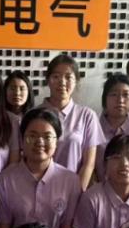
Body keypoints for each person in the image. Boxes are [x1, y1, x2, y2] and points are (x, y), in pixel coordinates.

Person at [0, 108, 81, 228]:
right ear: (22, 140)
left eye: (47, 137)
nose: (39, 142)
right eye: (32, 136)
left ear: (56, 142)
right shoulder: (4, 180)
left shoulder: (71, 181)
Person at [41, 53, 104, 189]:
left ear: (76, 81)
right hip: (39, 188)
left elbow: (89, 164)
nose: (62, 82)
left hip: (74, 189)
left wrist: (76, 193)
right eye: (56, 76)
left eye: (68, 77)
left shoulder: (87, 116)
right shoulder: (35, 114)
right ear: (48, 80)